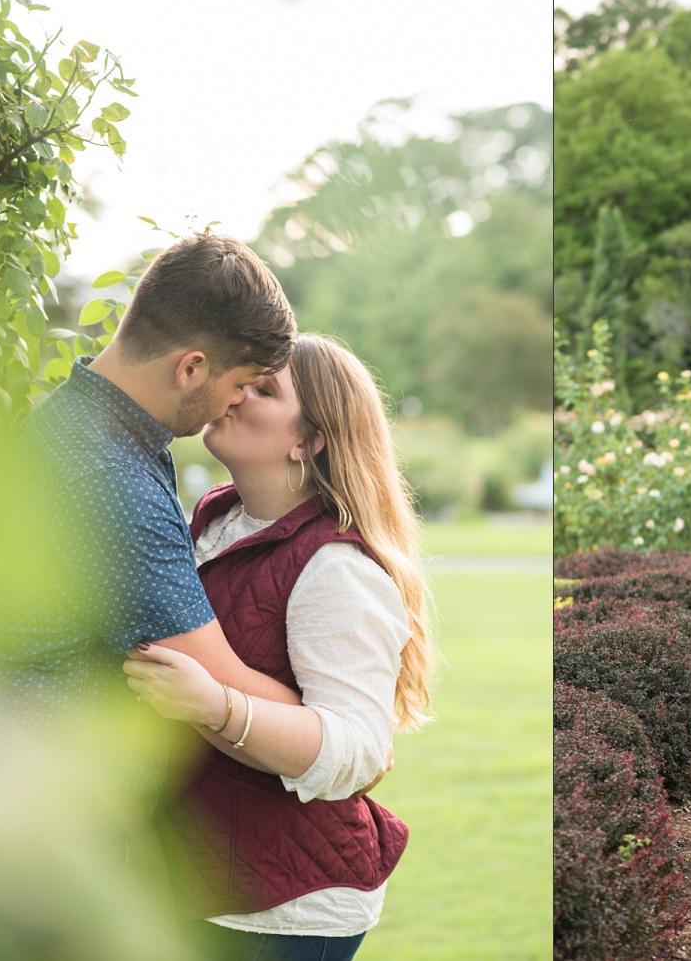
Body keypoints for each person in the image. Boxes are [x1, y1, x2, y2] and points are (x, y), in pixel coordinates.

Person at [122, 333, 432, 961]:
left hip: (282, 910)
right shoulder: (216, 516)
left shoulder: (336, 568)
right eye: (244, 379)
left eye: (263, 390)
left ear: (309, 441)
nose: (234, 396)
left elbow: (361, 750)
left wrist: (215, 705)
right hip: (201, 878)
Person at [0, 233, 304, 792]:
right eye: (241, 384)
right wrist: (343, 730)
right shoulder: (112, 479)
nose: (238, 402)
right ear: (192, 369)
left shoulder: (71, 418)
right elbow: (219, 683)